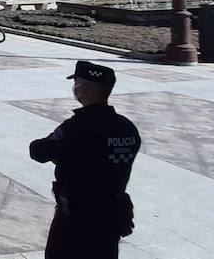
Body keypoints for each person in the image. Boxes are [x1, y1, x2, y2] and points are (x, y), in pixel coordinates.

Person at [30, 61, 141, 259]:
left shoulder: (76, 128)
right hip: (111, 217)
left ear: (83, 89)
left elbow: (38, 152)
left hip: (77, 220)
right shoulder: (127, 128)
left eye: (77, 84)